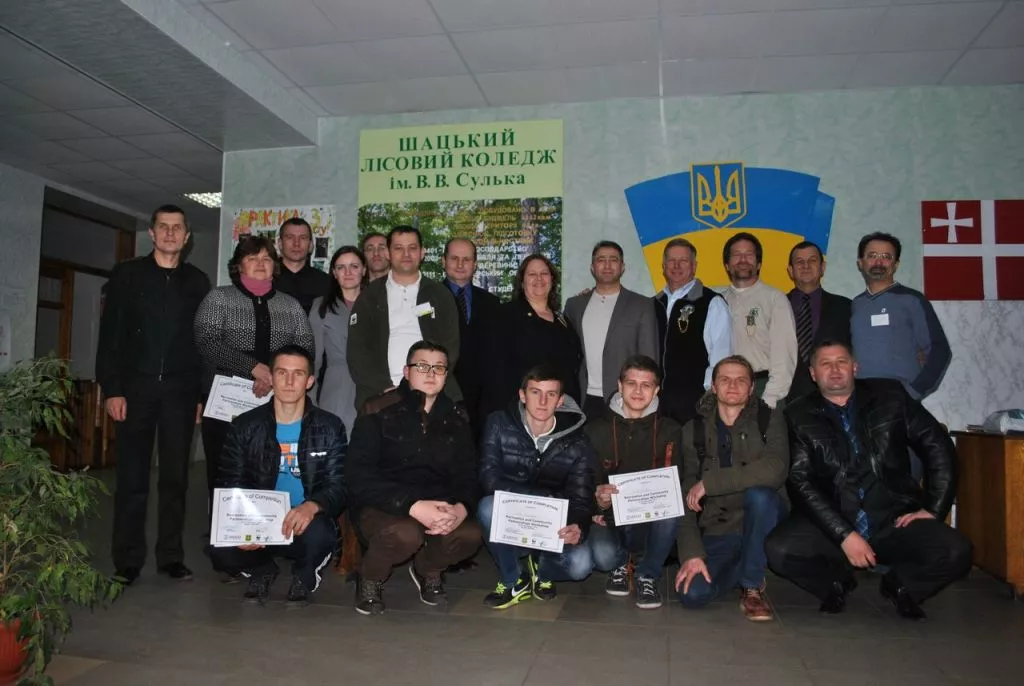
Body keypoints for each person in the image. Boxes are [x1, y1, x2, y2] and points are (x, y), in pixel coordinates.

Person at [766, 340, 971, 620]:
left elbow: (938, 447)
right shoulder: (797, 414)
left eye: (841, 362)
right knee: (779, 550)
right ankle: (836, 582)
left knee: (957, 551)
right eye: (825, 364)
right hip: (833, 521)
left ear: (855, 367)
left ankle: (902, 585)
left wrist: (933, 509)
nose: (834, 370)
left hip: (892, 519)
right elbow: (800, 482)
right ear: (813, 373)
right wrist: (844, 534)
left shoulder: (891, 396)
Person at [96, 204, 211, 585]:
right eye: (163, 227)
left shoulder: (197, 282)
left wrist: (200, 395)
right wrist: (112, 389)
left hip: (180, 394)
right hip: (135, 392)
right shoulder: (127, 275)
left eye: (177, 228)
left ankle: (170, 557)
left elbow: (202, 343)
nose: (170, 233)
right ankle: (127, 560)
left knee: (175, 480)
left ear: (187, 236)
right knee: (132, 479)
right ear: (152, 233)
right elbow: (110, 337)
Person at [346, 341, 482, 615]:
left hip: (437, 504)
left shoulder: (457, 417)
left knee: (470, 534)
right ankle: (370, 577)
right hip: (384, 505)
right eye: (422, 366)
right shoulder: (377, 409)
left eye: (439, 368)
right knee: (404, 533)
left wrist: (461, 508)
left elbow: (469, 474)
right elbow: (358, 475)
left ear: (446, 375)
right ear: (407, 372)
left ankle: (427, 569)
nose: (431, 373)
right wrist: (412, 505)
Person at [210, 345, 346, 606]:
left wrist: (312, 506)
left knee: (321, 534)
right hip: (260, 518)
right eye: (282, 373)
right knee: (220, 548)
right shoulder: (244, 425)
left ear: (309, 381)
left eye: (298, 374)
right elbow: (230, 481)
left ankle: (305, 576)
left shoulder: (330, 427)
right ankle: (262, 569)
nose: (290, 381)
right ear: (271, 378)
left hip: (304, 520)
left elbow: (339, 485)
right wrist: (246, 524)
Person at [194, 235, 314, 521]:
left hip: (277, 402)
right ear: (239, 265)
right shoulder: (218, 298)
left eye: (266, 258)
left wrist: (271, 374)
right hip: (225, 407)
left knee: (268, 471)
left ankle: (266, 534)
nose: (260, 264)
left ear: (275, 265)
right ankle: (225, 536)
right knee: (225, 472)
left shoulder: (291, 305)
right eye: (252, 258)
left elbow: (305, 349)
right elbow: (206, 341)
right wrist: (252, 368)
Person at [674, 355, 788, 621]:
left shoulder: (769, 419)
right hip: (718, 528)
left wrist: (710, 483)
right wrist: (691, 553)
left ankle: (751, 587)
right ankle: (746, 563)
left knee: (760, 495)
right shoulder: (694, 429)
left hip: (762, 520)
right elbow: (685, 493)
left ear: (752, 388)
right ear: (713, 387)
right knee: (692, 594)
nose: (733, 386)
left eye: (741, 380)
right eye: (725, 379)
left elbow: (775, 469)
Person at [478, 365, 596, 609]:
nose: (543, 401)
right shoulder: (498, 423)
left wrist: (579, 526)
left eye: (551, 394)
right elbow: (489, 479)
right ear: (522, 395)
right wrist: (543, 500)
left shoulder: (578, 441)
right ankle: (514, 580)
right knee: (488, 507)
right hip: (514, 519)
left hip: (552, 527)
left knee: (581, 565)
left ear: (560, 400)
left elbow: (582, 498)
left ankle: (541, 569)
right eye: (535, 392)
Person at [586, 355, 682, 610]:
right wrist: (597, 503)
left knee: (673, 508)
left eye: (646, 385)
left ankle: (647, 574)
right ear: (619, 385)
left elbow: (678, 481)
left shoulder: (671, 430)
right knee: (603, 555)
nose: (638, 391)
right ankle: (621, 564)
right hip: (609, 518)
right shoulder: (595, 430)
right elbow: (582, 481)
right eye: (631, 383)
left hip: (651, 517)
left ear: (656, 390)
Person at [347, 226, 461, 411]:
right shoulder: (369, 296)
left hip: (433, 394)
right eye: (398, 248)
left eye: (412, 248)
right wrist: (386, 388)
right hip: (381, 395)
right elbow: (357, 352)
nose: (406, 254)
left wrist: (430, 384)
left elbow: (451, 347)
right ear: (388, 253)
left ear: (422, 253)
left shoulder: (440, 294)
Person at [565, 241, 658, 422]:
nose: (607, 265)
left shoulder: (642, 305)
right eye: (601, 260)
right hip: (583, 398)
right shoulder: (574, 305)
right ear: (592, 267)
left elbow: (649, 357)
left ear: (622, 267)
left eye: (613, 260)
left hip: (625, 399)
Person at [851, 232, 951, 400]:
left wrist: (915, 391)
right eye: (872, 255)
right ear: (860, 263)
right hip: (861, 399)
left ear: (896, 264)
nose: (879, 262)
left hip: (900, 399)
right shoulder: (856, 304)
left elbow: (939, 349)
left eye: (886, 257)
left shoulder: (912, 300)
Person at [484, 254, 582, 416]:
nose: (539, 278)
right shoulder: (505, 315)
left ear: (552, 279)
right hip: (521, 411)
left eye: (544, 273)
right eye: (532, 274)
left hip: (562, 409)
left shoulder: (562, 319)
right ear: (522, 282)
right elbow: (495, 371)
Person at [654, 238, 732, 426]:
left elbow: (722, 357)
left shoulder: (712, 303)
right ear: (663, 266)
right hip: (655, 405)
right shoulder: (653, 304)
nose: (676, 266)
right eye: (671, 260)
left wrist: (708, 398)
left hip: (695, 405)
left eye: (683, 260)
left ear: (694, 266)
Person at [721, 232, 797, 408]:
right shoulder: (718, 302)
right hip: (726, 389)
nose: (743, 260)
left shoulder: (774, 298)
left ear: (759, 263)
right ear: (727, 265)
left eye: (749, 254)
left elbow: (784, 354)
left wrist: (770, 398)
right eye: (736, 255)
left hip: (763, 386)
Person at [441, 237, 502, 437]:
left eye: (466, 259)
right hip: (443, 395)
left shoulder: (492, 303)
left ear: (475, 264)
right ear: (443, 261)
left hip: (484, 403)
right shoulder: (430, 299)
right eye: (454, 258)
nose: (460, 264)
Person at [309, 246, 366, 438]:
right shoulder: (321, 306)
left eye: (354, 266)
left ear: (364, 270)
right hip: (337, 386)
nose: (348, 272)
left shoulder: (378, 303)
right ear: (334, 273)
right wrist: (310, 401)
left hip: (371, 385)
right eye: (341, 267)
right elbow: (314, 360)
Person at [786, 241, 851, 402]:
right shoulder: (775, 306)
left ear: (823, 267)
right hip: (785, 397)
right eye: (799, 262)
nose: (806, 266)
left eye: (812, 260)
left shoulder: (846, 307)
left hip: (834, 396)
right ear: (790, 271)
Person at [274, 217, 331, 315]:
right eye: (290, 237)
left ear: (310, 245)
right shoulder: (267, 280)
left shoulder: (325, 283)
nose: (296, 243)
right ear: (280, 243)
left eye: (303, 238)